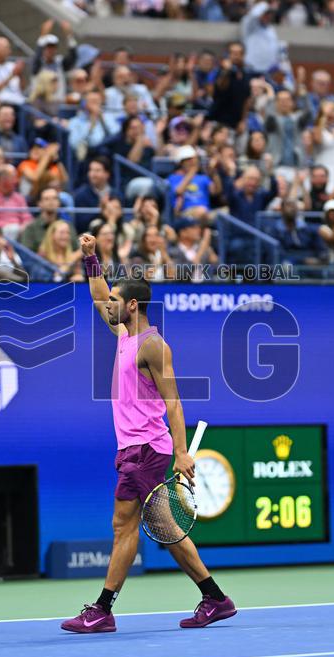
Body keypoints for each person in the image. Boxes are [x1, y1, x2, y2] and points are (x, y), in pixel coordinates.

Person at [63, 245, 236, 633]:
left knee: (127, 527)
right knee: (163, 528)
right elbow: (95, 294)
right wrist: (91, 258)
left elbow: (173, 402)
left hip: (147, 449)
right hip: (133, 449)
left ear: (133, 305)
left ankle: (103, 610)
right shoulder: (124, 335)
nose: (108, 305)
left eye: (115, 301)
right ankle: (215, 598)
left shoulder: (153, 347)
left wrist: (180, 451)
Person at [72, 156, 123, 232]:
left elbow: (121, 221)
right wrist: (100, 211)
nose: (93, 174)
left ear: (107, 174)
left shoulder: (116, 194)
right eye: (91, 170)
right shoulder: (80, 194)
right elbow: (80, 224)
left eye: (97, 170)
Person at [21, 187, 79, 253]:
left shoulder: (68, 226)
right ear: (39, 203)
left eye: (54, 198)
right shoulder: (31, 228)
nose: (51, 202)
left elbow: (75, 249)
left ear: (59, 203)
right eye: (46, 199)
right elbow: (26, 254)